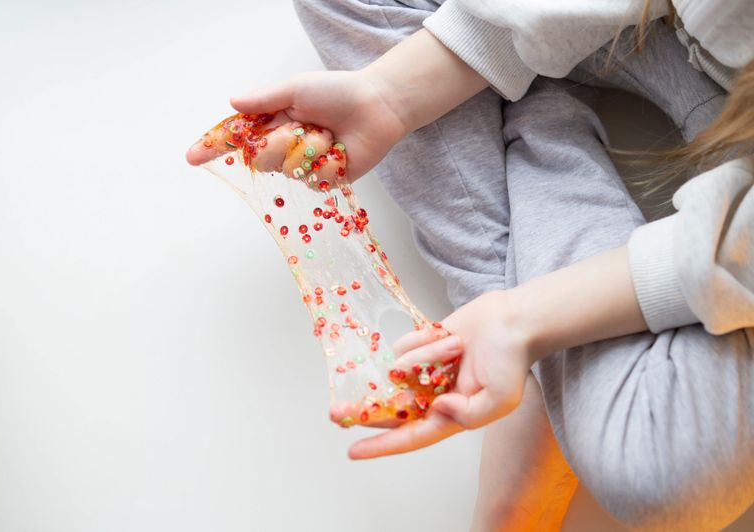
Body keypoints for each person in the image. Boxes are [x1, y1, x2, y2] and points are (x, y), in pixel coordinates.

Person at [196, 1, 754, 529]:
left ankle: (521, 311)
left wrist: (525, 318)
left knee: (665, 473)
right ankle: (525, 332)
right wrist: (393, 92)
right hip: (654, 26)